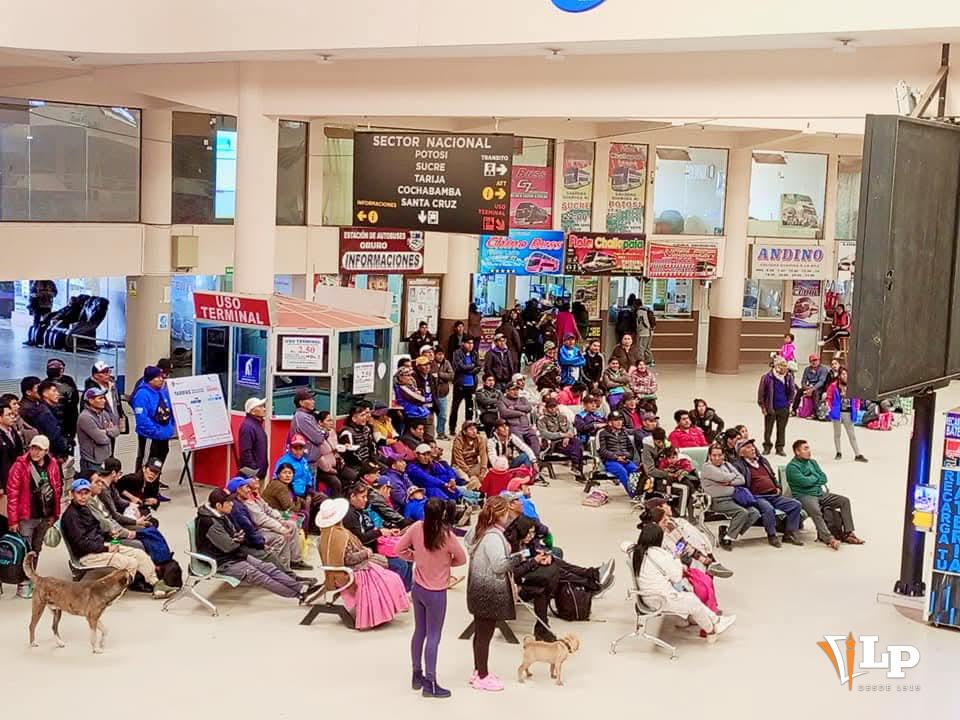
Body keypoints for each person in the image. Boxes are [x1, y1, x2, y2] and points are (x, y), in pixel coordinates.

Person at [395, 498, 467, 698]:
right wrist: (446, 564)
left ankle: (416, 675)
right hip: (436, 592)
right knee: (434, 636)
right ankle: (431, 683)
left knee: (419, 631)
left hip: (418, 588)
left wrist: (416, 557)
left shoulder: (417, 527)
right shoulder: (447, 535)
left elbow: (398, 549)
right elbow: (462, 558)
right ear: (443, 514)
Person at [60, 477, 178, 598]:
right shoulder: (71, 517)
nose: (83, 496)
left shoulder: (86, 508)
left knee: (140, 554)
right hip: (87, 555)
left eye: (86, 493)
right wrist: (106, 548)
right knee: (130, 563)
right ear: (71, 494)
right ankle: (115, 594)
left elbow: (95, 530)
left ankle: (157, 584)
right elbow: (82, 544)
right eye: (79, 493)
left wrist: (109, 535)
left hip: (100, 546)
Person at [196, 488, 312, 600]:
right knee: (260, 576)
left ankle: (301, 588)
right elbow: (229, 546)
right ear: (218, 506)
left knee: (269, 567)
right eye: (229, 502)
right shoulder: (209, 522)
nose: (232, 504)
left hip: (234, 555)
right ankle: (299, 595)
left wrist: (237, 538)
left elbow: (236, 534)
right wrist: (237, 539)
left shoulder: (222, 514)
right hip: (222, 561)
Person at [316, 497, 410, 628]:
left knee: (392, 575)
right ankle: (375, 616)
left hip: (349, 568)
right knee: (391, 578)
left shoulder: (327, 534)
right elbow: (349, 559)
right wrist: (366, 552)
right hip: (353, 571)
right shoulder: (340, 535)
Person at [632, 524, 735, 640]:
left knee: (691, 600)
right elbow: (676, 577)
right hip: (660, 599)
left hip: (648, 597)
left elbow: (624, 545)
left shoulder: (638, 552)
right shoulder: (659, 554)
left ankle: (714, 627)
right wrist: (676, 558)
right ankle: (713, 627)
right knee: (693, 601)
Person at [465, 496, 526, 692]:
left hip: (478, 588)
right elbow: (499, 565)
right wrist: (519, 558)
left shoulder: (479, 531)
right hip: (488, 590)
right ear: (500, 514)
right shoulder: (492, 537)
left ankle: (479, 670)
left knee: (481, 634)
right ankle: (482, 676)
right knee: (484, 634)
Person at [5, 435, 62, 597]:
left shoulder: (53, 466)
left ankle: (31, 579)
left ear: (46, 451)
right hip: (27, 516)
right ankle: (22, 583)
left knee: (36, 549)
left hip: (45, 516)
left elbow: (57, 490)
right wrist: (13, 520)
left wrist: (55, 514)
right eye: (33, 448)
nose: (35, 452)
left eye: (39, 449)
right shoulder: (20, 466)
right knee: (25, 549)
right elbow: (13, 494)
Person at [785, 440, 865, 549]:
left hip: (819, 493)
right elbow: (805, 482)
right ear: (797, 452)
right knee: (816, 511)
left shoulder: (812, 462)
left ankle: (848, 533)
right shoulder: (792, 467)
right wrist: (815, 478)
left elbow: (823, 478)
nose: (809, 451)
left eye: (808, 448)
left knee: (844, 501)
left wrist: (813, 479)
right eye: (805, 449)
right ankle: (829, 538)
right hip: (804, 496)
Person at [230, 475, 313, 571]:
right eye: (253, 479)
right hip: (259, 529)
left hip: (265, 524)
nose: (257, 479)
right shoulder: (245, 503)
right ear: (239, 489)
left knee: (292, 525)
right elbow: (262, 519)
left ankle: (295, 561)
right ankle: (283, 569)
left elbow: (268, 509)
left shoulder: (254, 495)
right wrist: (281, 529)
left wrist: (281, 520)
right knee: (281, 537)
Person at [734, 439, 803, 548]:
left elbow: (772, 476)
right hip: (757, 497)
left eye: (752, 446)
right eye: (748, 447)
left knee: (795, 505)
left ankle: (789, 534)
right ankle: (772, 535)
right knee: (768, 509)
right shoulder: (739, 465)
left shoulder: (763, 461)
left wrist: (777, 487)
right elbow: (739, 484)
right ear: (741, 453)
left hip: (773, 495)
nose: (752, 449)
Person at [643, 497, 732, 578]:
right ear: (660, 509)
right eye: (666, 505)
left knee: (693, 533)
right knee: (690, 539)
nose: (669, 507)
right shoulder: (663, 529)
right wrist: (702, 559)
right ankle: (710, 563)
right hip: (681, 558)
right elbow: (679, 546)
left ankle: (711, 562)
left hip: (688, 551)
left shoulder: (670, 522)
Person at [698, 445, 761, 550]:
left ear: (724, 455)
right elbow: (722, 477)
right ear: (710, 456)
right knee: (742, 512)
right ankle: (728, 538)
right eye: (714, 455)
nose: (717, 458)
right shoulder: (707, 467)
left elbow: (742, 479)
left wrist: (727, 482)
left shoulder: (727, 465)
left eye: (720, 455)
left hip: (734, 498)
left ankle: (729, 532)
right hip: (716, 500)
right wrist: (731, 477)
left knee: (755, 513)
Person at [131, 365, 174, 471]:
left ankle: (154, 484)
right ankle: (141, 486)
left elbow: (169, 411)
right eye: (158, 377)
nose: (161, 379)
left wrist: (170, 428)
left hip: (163, 436)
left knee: (158, 466)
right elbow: (142, 420)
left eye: (162, 377)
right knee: (146, 465)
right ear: (150, 380)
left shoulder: (162, 392)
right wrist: (156, 432)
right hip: (150, 437)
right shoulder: (142, 395)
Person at [825, 367, 868, 462]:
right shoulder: (833, 386)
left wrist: (856, 408)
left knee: (852, 435)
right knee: (837, 433)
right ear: (839, 375)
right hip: (837, 412)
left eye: (847, 374)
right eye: (843, 374)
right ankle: (838, 452)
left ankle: (858, 454)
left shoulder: (852, 386)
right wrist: (831, 408)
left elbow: (857, 398)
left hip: (849, 412)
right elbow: (829, 397)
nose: (845, 376)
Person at [537, 397, 585, 479]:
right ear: (546, 408)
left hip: (567, 439)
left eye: (554, 406)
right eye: (550, 407)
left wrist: (567, 437)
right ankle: (577, 469)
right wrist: (562, 435)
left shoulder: (563, 416)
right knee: (575, 449)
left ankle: (576, 467)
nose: (552, 409)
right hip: (554, 443)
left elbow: (570, 428)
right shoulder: (542, 420)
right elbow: (545, 434)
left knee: (578, 443)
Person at [76, 387, 121, 475]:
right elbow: (102, 439)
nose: (104, 400)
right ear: (91, 400)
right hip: (92, 462)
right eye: (100, 398)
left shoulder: (104, 414)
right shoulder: (85, 417)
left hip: (105, 458)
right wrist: (109, 431)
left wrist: (104, 431)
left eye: (104, 398)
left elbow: (117, 430)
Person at [757, 356, 795, 456]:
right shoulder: (767, 377)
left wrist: (789, 403)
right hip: (771, 408)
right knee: (768, 429)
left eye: (785, 366)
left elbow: (792, 391)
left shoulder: (788, 377)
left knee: (781, 429)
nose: (784, 368)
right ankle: (767, 446)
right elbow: (761, 393)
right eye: (782, 366)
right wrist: (763, 407)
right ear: (777, 366)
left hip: (783, 407)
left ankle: (780, 447)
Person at [84, 361, 126, 451]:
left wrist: (121, 416)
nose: (108, 374)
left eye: (108, 371)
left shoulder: (113, 386)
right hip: (100, 429)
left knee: (111, 453)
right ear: (95, 375)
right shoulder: (90, 391)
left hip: (113, 426)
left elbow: (117, 403)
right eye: (104, 372)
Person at [29, 381, 72, 465]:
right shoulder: (46, 414)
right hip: (52, 454)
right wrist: (65, 446)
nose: (58, 394)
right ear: (45, 394)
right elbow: (54, 437)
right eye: (54, 391)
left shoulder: (44, 409)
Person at [598, 411, 640, 496]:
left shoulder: (624, 432)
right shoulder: (603, 433)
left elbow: (631, 449)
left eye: (620, 420)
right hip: (611, 461)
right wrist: (616, 457)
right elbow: (602, 450)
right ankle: (633, 494)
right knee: (622, 472)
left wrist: (626, 456)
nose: (619, 422)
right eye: (616, 420)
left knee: (637, 471)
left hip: (625, 460)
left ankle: (641, 492)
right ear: (610, 423)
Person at [273, 433, 320, 506]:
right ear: (290, 448)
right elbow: (276, 479)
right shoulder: (284, 461)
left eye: (300, 448)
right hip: (292, 495)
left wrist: (309, 488)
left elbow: (309, 477)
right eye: (295, 448)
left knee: (324, 499)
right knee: (307, 503)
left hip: (305, 492)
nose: (298, 451)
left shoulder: (304, 461)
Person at [498, 383, 541, 458]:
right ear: (507, 391)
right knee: (520, 443)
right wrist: (521, 413)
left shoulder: (522, 399)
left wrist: (515, 407)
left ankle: (535, 458)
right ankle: (526, 458)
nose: (516, 392)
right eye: (513, 390)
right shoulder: (502, 401)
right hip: (514, 426)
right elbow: (504, 413)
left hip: (526, 426)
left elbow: (529, 408)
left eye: (517, 390)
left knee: (534, 438)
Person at [450, 336, 481, 436]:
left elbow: (479, 366)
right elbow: (459, 367)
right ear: (463, 343)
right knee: (455, 408)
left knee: (470, 409)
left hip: (471, 384)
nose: (470, 345)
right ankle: (452, 428)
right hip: (460, 384)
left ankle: (468, 429)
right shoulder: (457, 353)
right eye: (468, 343)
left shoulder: (474, 353)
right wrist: (472, 366)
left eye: (472, 343)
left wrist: (470, 368)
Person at [45, 357, 80, 443]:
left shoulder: (68, 380)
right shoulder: (45, 385)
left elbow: (75, 399)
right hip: (57, 424)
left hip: (69, 422)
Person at [0, 397, 24, 517]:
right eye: (8, 415)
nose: (12, 417)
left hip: (17, 478)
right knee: (6, 515)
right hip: (4, 481)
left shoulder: (13, 431)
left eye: (12, 414)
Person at [237, 397, 269, 479]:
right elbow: (245, 452)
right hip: (253, 477)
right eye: (260, 407)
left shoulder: (256, 425)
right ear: (253, 411)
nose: (264, 409)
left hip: (258, 474)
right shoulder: (248, 427)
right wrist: (253, 473)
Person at [451, 421, 489, 487]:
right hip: (460, 467)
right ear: (464, 432)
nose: (474, 431)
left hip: (474, 465)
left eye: (475, 428)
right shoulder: (458, 441)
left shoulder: (480, 439)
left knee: (488, 474)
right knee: (467, 480)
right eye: (471, 429)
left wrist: (483, 471)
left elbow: (483, 456)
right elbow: (459, 460)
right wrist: (469, 472)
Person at [412, 357, 439, 443]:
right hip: (418, 411)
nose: (427, 367)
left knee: (430, 437)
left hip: (430, 410)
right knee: (418, 438)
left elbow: (435, 393)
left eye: (428, 364)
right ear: (418, 367)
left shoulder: (432, 378)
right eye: (424, 365)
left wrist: (436, 405)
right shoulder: (414, 379)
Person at [433, 348, 454, 441]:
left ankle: (440, 433)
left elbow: (451, 375)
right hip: (432, 394)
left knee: (443, 415)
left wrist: (440, 375)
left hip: (443, 393)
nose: (440, 356)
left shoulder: (447, 363)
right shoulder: (431, 363)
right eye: (438, 354)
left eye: (442, 354)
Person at [635, 299, 655, 364]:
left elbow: (642, 321)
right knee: (647, 347)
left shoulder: (640, 311)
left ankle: (642, 361)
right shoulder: (647, 309)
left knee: (641, 347)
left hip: (644, 332)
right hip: (650, 331)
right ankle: (650, 360)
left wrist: (639, 330)